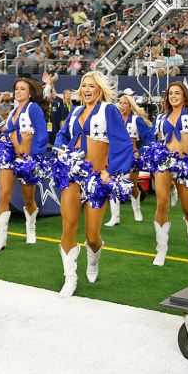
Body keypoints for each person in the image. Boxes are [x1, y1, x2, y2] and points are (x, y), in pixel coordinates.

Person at [50, 70, 133, 296]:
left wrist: (111, 170)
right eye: (84, 86)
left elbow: (123, 143)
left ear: (100, 90)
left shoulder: (109, 111)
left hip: (97, 178)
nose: (86, 90)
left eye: (91, 86)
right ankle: (70, 278)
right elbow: (62, 136)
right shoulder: (75, 111)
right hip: (73, 175)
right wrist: (61, 152)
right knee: (68, 226)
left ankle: (93, 257)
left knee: (92, 236)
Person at [141, 82, 188, 264]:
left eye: (177, 93)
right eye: (170, 93)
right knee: (162, 203)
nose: (173, 96)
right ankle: (161, 249)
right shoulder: (161, 117)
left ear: (184, 96)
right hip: (164, 163)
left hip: (185, 163)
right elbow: (155, 139)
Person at [0, 78, 51, 251]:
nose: (18, 91)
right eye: (16, 88)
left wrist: (33, 156)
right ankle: (1, 239)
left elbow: (41, 134)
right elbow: (8, 131)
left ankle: (30, 229)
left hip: (26, 160)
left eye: (22, 89)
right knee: (3, 197)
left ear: (30, 93)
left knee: (29, 199)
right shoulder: (13, 110)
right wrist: (3, 138)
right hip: (9, 159)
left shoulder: (34, 109)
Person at [114, 92, 152, 224]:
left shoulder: (136, 120)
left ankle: (137, 210)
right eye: (120, 103)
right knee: (114, 185)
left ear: (130, 106)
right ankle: (115, 217)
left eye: (125, 103)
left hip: (131, 157)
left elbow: (149, 138)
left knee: (132, 185)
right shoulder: (114, 119)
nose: (122, 106)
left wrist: (140, 152)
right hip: (116, 157)